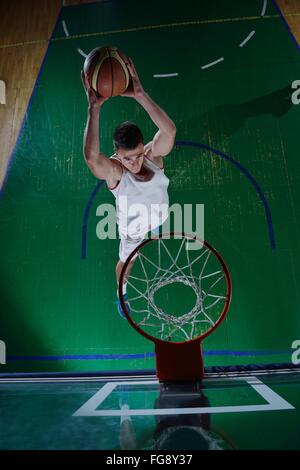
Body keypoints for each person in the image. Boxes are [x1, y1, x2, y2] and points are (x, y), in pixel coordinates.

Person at [82, 57, 176, 318]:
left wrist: (140, 94)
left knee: (157, 221)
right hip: (132, 229)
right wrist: (94, 109)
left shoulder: (152, 156)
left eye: (136, 154)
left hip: (158, 214)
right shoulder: (116, 173)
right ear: (117, 155)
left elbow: (169, 132)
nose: (134, 163)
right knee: (127, 262)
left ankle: (154, 227)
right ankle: (121, 292)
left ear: (142, 145)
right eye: (127, 158)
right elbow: (91, 159)